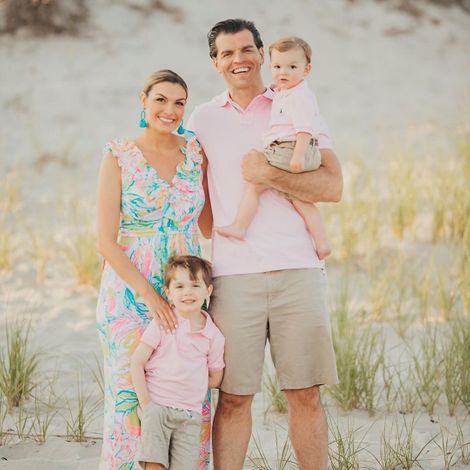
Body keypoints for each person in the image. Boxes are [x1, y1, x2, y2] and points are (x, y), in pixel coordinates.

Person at [187, 19, 342, 470]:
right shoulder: (203, 118)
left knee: (305, 394)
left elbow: (333, 186)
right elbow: (202, 208)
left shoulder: (295, 102)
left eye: (246, 50)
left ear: (261, 52)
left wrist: (268, 175)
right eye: (227, 53)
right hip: (234, 278)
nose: (239, 60)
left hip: (299, 269)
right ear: (215, 63)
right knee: (233, 398)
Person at [95, 69, 213, 469]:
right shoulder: (119, 156)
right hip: (131, 294)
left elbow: (211, 222)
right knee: (132, 395)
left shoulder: (194, 152)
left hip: (186, 293)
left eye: (179, 102)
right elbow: (105, 241)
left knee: (186, 393)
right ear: (143, 100)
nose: (170, 110)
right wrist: (148, 294)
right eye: (161, 99)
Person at [216, 36, 331, 260]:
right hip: (294, 149)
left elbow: (304, 128)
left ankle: (240, 226)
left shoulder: (299, 96)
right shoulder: (287, 91)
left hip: (291, 149)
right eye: (277, 67)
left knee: (255, 183)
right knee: (300, 199)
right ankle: (322, 242)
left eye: (291, 67)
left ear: (306, 70)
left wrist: (297, 156)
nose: (282, 73)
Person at [130, 255, 225, 470]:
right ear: (169, 292)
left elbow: (215, 378)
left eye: (195, 285)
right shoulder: (163, 323)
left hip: (189, 415)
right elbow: (137, 362)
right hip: (157, 408)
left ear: (208, 291)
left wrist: (190, 379)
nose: (187, 292)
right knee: (154, 465)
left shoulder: (214, 336)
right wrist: (147, 406)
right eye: (179, 286)